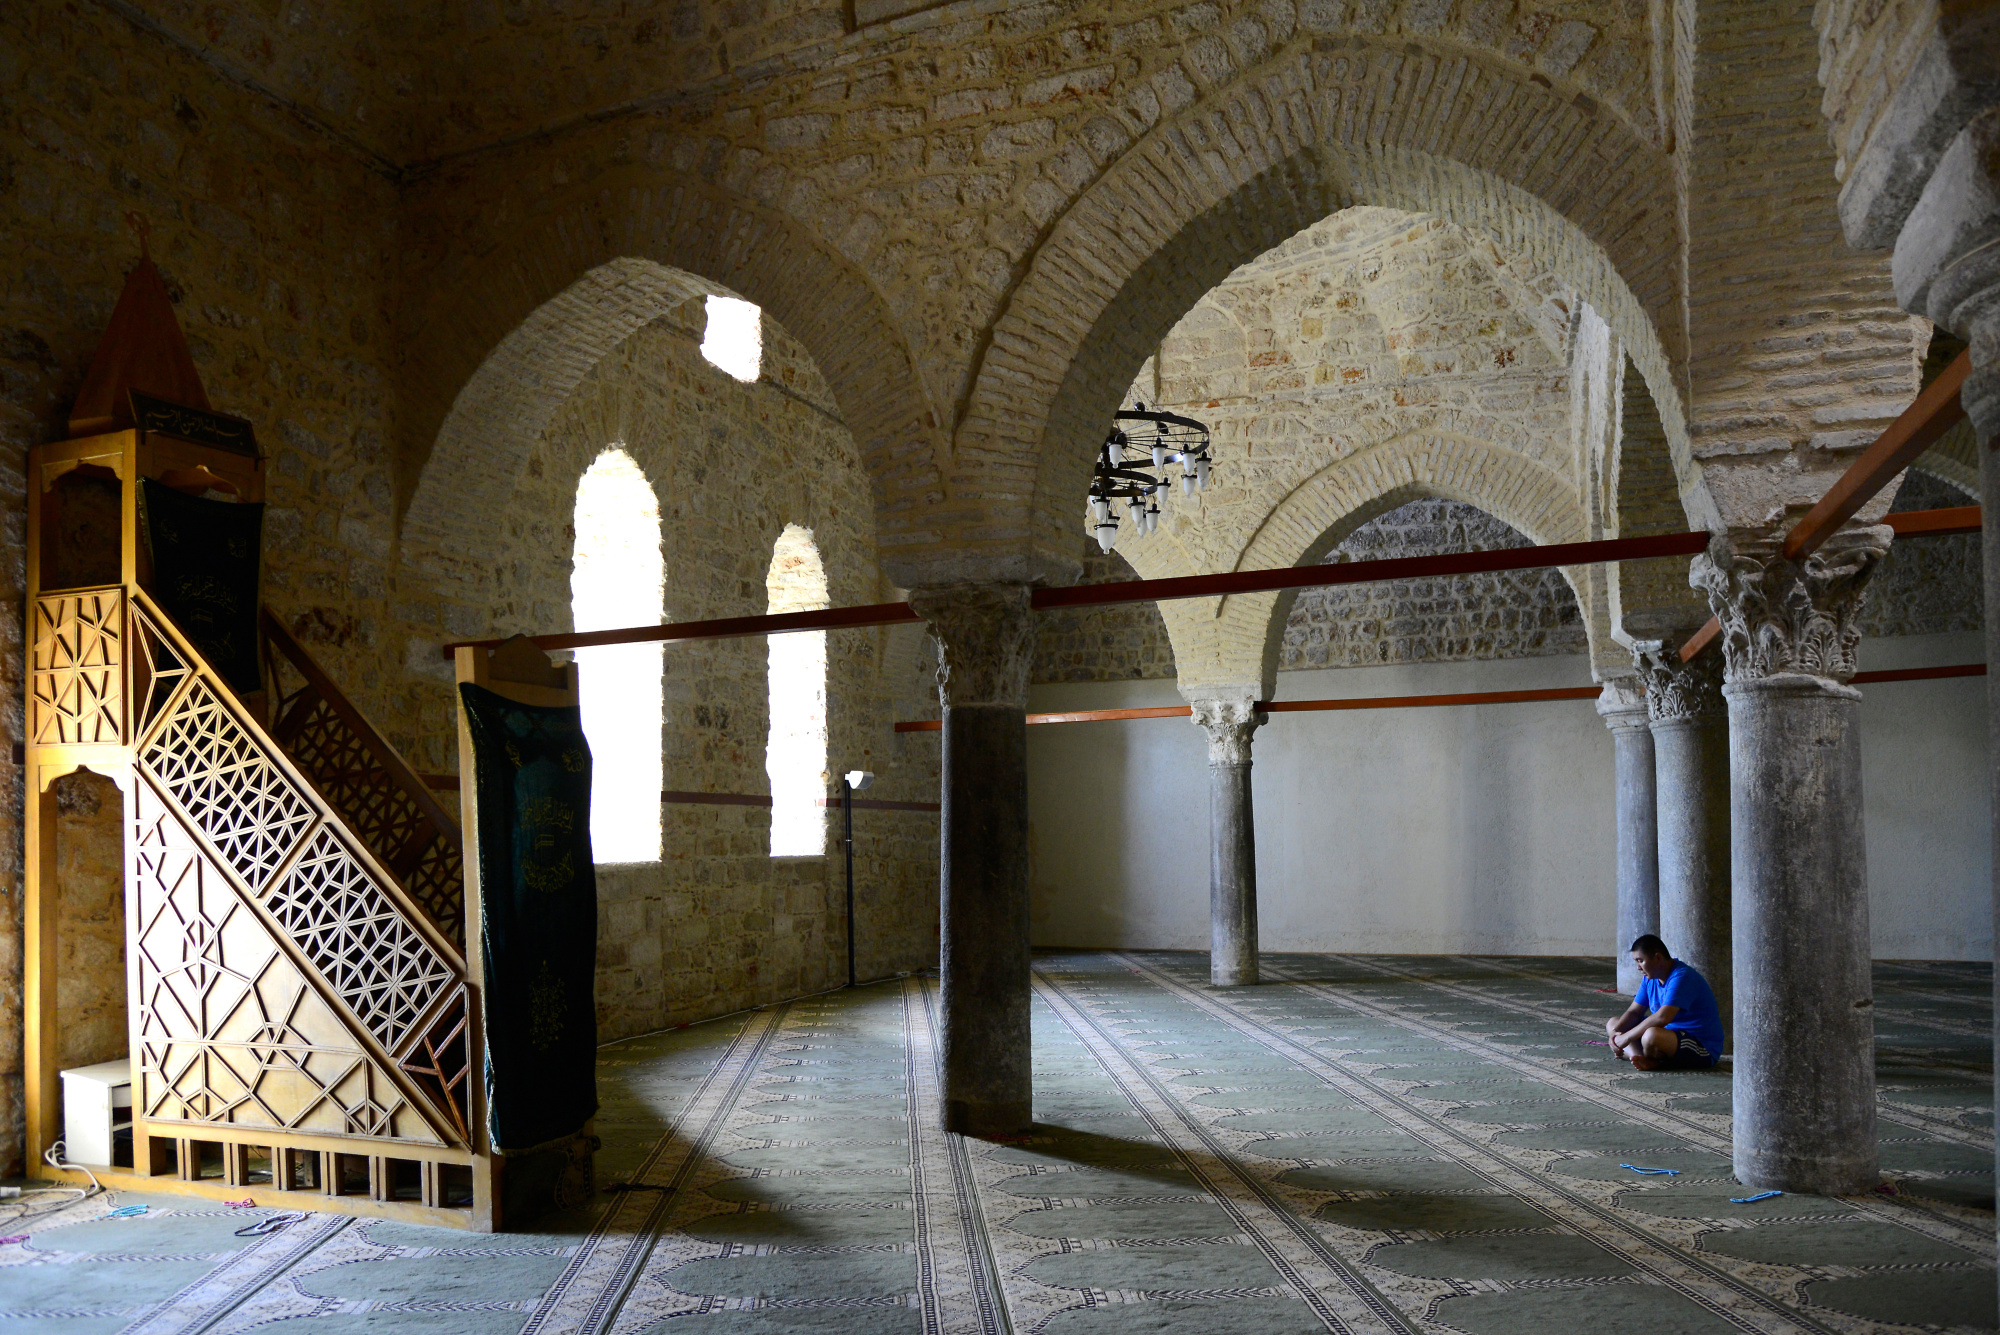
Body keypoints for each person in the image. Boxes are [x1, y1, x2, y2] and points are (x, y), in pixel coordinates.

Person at [1605, 935, 1725, 1070]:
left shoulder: (1682, 976)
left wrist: (1625, 1039)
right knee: (1613, 1023)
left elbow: (1663, 1017)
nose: (1638, 967)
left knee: (1651, 1036)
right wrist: (1615, 1034)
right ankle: (1639, 1058)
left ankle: (1636, 1055)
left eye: (1640, 961)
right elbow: (1634, 1012)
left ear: (1658, 957)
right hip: (1667, 1036)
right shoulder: (1650, 978)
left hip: (1700, 1046)